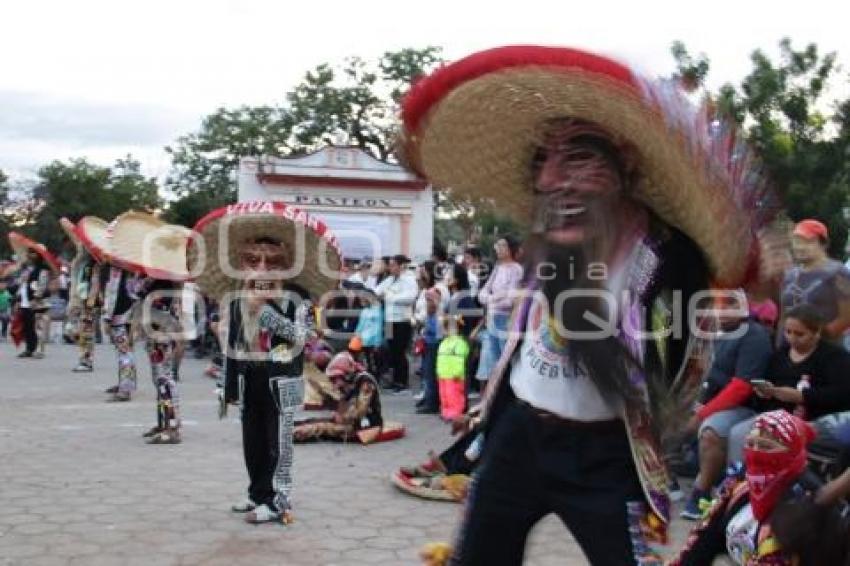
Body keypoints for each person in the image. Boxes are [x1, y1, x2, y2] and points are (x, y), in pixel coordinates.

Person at [398, 45, 780, 564]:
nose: (551, 180)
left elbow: (659, 379)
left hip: (605, 455)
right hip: (520, 436)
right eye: (543, 162)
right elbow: (526, 334)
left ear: (624, 163)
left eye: (577, 157)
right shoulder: (552, 237)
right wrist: (486, 410)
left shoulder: (669, 258)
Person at [192, 201, 340, 525]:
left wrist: (266, 313)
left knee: (278, 445)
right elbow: (233, 345)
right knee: (253, 442)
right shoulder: (236, 296)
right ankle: (257, 492)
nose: (261, 266)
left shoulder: (297, 296)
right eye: (253, 260)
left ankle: (278, 500)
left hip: (281, 380)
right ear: (242, 264)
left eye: (271, 261)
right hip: (249, 379)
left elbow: (303, 338)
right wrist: (227, 383)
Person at [670, 410, 823, 565]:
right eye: (751, 444)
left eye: (766, 446)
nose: (755, 453)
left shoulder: (806, 502)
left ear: (792, 453)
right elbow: (703, 542)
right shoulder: (739, 487)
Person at [680, 292, 774, 519]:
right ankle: (667, 479)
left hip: (744, 407)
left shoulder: (754, 336)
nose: (722, 310)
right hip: (706, 398)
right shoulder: (712, 331)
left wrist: (701, 414)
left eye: (730, 304)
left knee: (712, 431)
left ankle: (701, 493)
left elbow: (741, 388)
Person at [727, 304, 850, 464]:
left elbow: (842, 394)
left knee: (753, 436)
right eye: (788, 332)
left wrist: (801, 396)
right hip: (775, 415)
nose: (792, 338)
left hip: (814, 420)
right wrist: (765, 392)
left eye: (800, 334)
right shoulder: (781, 354)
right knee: (739, 434)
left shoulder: (835, 357)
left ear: (817, 332)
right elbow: (769, 385)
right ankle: (740, 480)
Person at [781, 219, 850, 343]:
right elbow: (784, 314)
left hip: (824, 349)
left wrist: (816, 341)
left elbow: (846, 317)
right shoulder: (789, 275)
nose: (800, 247)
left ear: (823, 244)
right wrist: (780, 345)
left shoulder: (838, 273)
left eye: (808, 242)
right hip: (789, 349)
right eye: (797, 242)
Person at [475, 235, 523, 387]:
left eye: (502, 245)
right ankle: (498, 394)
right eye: (497, 245)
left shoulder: (516, 269)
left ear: (510, 249)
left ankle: (509, 392)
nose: (498, 248)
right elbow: (482, 294)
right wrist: (494, 298)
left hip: (505, 319)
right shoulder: (498, 268)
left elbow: (511, 299)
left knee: (505, 360)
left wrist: (491, 299)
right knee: (495, 360)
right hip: (492, 317)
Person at [375, 254, 418, 391]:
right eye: (390, 265)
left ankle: (402, 381)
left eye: (393, 265)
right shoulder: (390, 280)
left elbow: (410, 297)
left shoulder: (409, 280)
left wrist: (391, 297)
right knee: (390, 350)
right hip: (389, 320)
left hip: (401, 320)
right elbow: (377, 291)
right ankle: (394, 378)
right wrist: (386, 295)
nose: (390, 267)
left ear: (401, 266)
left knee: (399, 351)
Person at [437, 316, 470, 420]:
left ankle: (456, 413)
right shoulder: (444, 343)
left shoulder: (460, 343)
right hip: (443, 374)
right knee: (444, 395)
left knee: (454, 395)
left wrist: (457, 372)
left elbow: (460, 359)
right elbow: (440, 358)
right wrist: (439, 371)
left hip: (454, 375)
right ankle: (445, 411)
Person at [416, 289, 443, 414]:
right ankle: (429, 398)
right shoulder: (431, 313)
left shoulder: (438, 313)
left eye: (429, 300)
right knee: (427, 374)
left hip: (434, 345)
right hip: (429, 343)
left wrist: (425, 331)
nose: (427, 303)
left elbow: (437, 331)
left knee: (430, 375)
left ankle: (431, 403)